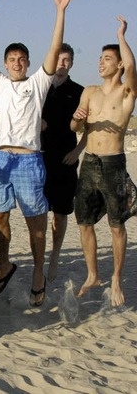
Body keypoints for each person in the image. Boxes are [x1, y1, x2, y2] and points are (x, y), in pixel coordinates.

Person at [0, 0, 75, 306]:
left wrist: (60, 11)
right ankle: (5, 265)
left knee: (36, 222)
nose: (16, 63)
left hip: (31, 161)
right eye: (12, 60)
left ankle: (37, 274)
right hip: (3, 161)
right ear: (6, 64)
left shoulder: (39, 82)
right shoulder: (0, 84)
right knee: (0, 219)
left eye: (21, 59)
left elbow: (54, 46)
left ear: (28, 63)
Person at [71, 16, 136, 307]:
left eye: (107, 58)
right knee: (83, 221)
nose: (100, 62)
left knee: (116, 224)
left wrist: (121, 36)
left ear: (119, 64)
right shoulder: (89, 92)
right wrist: (77, 119)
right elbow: (75, 128)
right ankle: (93, 274)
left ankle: (116, 278)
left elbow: (132, 68)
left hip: (113, 164)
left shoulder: (126, 92)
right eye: (99, 58)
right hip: (89, 162)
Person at [40, 43, 85, 282]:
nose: (62, 63)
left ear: (72, 63)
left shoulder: (80, 91)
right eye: (58, 59)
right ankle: (40, 259)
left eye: (66, 59)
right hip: (38, 158)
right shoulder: (39, 86)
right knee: (38, 214)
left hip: (66, 159)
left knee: (60, 213)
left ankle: (55, 257)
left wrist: (78, 150)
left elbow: (92, 127)